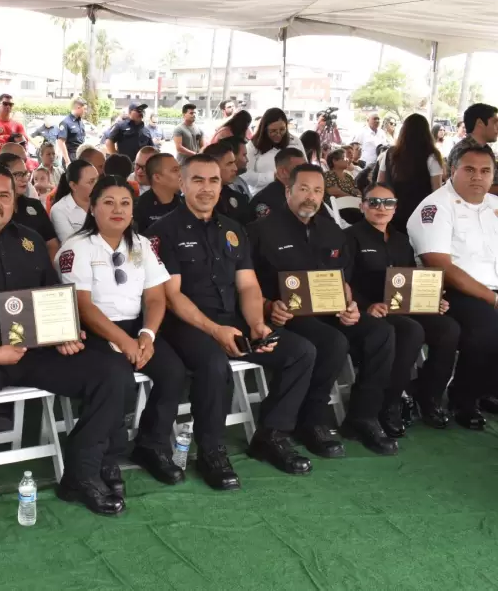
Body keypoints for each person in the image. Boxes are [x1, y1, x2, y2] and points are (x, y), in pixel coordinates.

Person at [0, 165, 127, 547]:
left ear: (16, 202)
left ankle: (81, 474)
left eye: (4, 196)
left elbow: (53, 299)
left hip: (35, 351)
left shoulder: (32, 240)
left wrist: (65, 333)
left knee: (112, 372)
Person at [145, 154, 317, 485]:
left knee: (300, 351)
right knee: (213, 363)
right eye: (197, 180)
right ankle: (211, 451)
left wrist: (257, 324)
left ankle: (271, 436)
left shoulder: (233, 229)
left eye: (213, 180)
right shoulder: (162, 231)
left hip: (234, 321)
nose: (207, 188)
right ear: (182, 184)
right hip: (186, 325)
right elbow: (172, 295)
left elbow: (249, 285)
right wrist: (215, 330)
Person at [249, 165, 397, 456]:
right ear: (288, 190)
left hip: (328, 309)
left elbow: (341, 279)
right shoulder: (259, 231)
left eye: (318, 190)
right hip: (285, 315)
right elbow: (245, 283)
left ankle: (363, 417)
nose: (311, 197)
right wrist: (267, 306)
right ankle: (312, 420)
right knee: (332, 341)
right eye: (304, 189)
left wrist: (351, 305)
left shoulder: (332, 231)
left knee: (381, 332)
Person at [57, 175, 187, 484]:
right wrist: (123, 342)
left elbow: (156, 296)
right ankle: (107, 458)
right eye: (109, 203)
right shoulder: (76, 248)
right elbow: (83, 306)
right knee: (117, 380)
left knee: (173, 372)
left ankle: (152, 446)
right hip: (95, 330)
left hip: (136, 328)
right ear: (93, 208)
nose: (118, 210)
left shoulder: (141, 244)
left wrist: (147, 335)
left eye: (125, 203)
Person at [346, 183, 459, 434]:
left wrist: (430, 301)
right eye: (373, 202)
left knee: (448, 327)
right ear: (362, 205)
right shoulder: (350, 237)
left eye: (388, 203)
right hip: (373, 311)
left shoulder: (400, 240)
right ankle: (390, 403)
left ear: (395, 208)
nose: (381, 208)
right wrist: (366, 306)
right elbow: (344, 281)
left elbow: (410, 280)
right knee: (411, 330)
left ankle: (428, 397)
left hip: (402, 306)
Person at [407, 144, 498, 430]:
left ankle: (487, 389)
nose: (477, 177)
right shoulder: (435, 207)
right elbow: (441, 266)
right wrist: (492, 298)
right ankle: (463, 398)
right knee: (487, 326)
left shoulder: (493, 205)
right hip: (451, 291)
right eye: (469, 170)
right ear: (451, 170)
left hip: (491, 288)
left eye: (485, 171)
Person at [377, 113, 444, 233]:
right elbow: (437, 191)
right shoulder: (431, 156)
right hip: (418, 213)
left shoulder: (390, 153)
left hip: (390, 211)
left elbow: (380, 182)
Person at [0, 152, 58, 258]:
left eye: (25, 174)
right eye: (18, 174)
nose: (24, 179)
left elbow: (52, 243)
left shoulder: (35, 205)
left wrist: (52, 271)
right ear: (1, 176)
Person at [244, 108, 305, 196]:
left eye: (282, 129)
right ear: (264, 129)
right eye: (273, 131)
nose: (278, 134)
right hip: (262, 195)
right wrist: (273, 176)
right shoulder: (254, 145)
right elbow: (246, 175)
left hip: (293, 194)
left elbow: (306, 166)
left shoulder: (295, 141)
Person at [249, 147, 308, 221]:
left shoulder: (306, 194)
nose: (306, 172)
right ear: (282, 172)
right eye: (299, 169)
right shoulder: (265, 201)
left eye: (306, 167)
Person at [203, 142, 252, 224]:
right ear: (212, 167)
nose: (235, 168)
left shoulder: (239, 198)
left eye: (234, 163)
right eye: (229, 164)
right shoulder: (197, 201)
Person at [51, 159, 98, 243]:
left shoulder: (104, 202)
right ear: (73, 186)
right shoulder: (59, 210)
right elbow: (71, 244)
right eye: (91, 182)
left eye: (97, 180)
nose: (97, 185)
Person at [446, 103, 497, 180]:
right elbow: (469, 188)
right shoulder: (464, 150)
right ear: (480, 123)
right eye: (495, 122)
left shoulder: (485, 148)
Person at [134, 153, 180, 230]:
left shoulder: (186, 204)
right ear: (157, 177)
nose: (181, 174)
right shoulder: (138, 208)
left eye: (180, 169)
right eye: (175, 170)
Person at [0, 94, 27, 162]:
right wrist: (13, 139)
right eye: (5, 103)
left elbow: (24, 142)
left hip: (14, 165)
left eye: (10, 104)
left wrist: (3, 137)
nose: (8, 106)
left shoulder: (18, 125)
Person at [57, 97, 87, 164]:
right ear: (78, 107)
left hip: (81, 156)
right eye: (84, 109)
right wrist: (68, 162)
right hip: (71, 156)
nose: (85, 111)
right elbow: (61, 142)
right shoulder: (66, 122)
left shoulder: (80, 122)